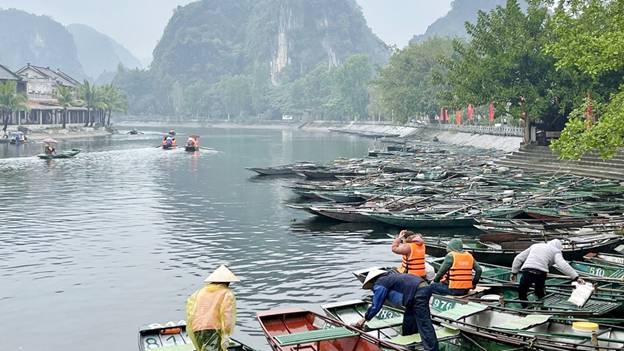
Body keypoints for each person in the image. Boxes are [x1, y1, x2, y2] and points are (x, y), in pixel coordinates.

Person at [353, 270, 438, 351]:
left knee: (423, 322)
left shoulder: (380, 283)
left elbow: (376, 306)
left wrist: (364, 319)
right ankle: (409, 344)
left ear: (372, 281)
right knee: (409, 321)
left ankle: (431, 349)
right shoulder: (391, 277)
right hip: (420, 290)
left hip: (418, 292)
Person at [510, 239, 584, 307]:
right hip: (541, 273)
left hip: (527, 271)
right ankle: (542, 308)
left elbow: (518, 258)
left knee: (522, 293)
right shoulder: (555, 251)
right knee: (540, 293)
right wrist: (576, 277)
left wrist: (514, 273)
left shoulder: (535, 245)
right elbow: (563, 265)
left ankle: (525, 307)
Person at [186, 264, 239, 351]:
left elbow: (191, 311)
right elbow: (227, 315)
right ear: (228, 282)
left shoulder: (200, 292)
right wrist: (226, 333)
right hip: (213, 329)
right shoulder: (226, 293)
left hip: (196, 328)